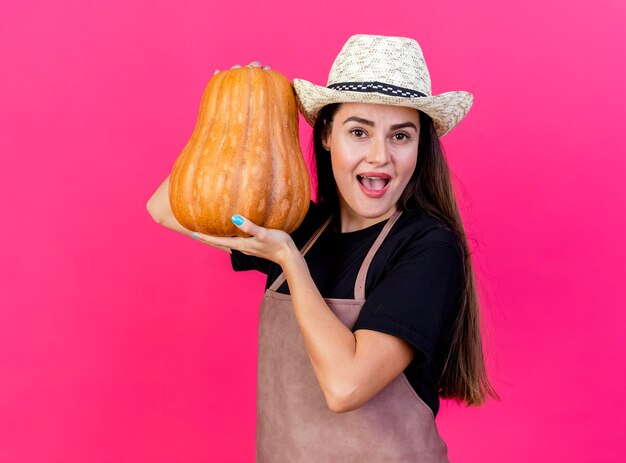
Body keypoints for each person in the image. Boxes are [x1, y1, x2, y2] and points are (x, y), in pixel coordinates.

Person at [147, 34, 497, 462]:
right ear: (327, 135)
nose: (379, 156)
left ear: (420, 148)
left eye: (400, 136)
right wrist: (235, 110)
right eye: (358, 131)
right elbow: (164, 208)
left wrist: (290, 261)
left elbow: (345, 386)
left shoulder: (427, 247)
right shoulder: (298, 226)